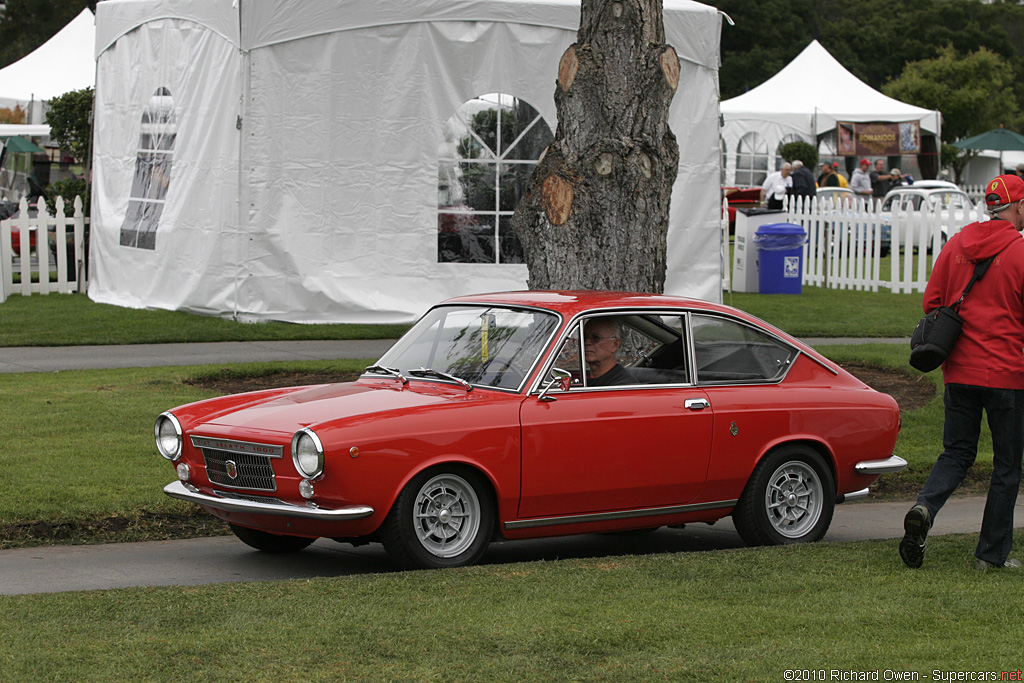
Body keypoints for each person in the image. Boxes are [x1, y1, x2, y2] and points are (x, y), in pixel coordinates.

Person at [899, 173, 1024, 571]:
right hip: (1007, 373)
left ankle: (924, 507)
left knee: (956, 453)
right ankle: (990, 556)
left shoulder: (957, 244)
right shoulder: (1020, 253)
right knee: (1006, 465)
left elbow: (932, 303)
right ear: (1018, 207)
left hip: (959, 371)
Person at [583, 318, 634, 387]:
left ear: (615, 344)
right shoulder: (582, 379)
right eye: (584, 337)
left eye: (596, 338)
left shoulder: (624, 386)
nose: (586, 342)